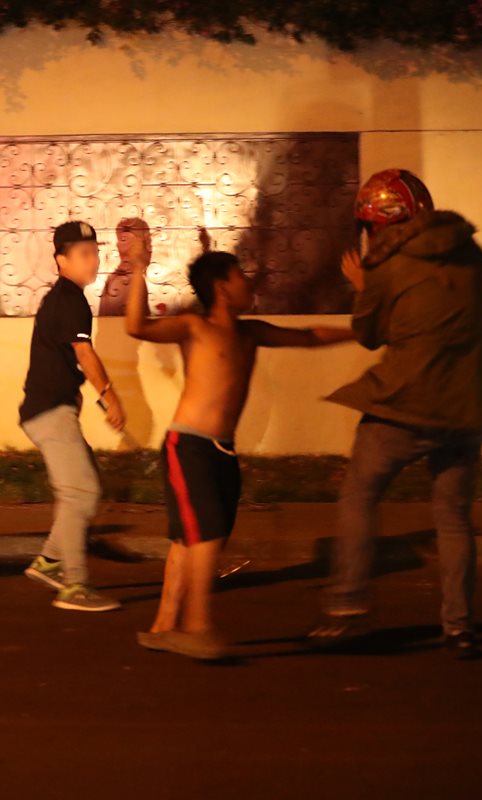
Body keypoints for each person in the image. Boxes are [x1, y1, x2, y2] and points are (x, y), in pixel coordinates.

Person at [125, 237, 354, 659]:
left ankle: (163, 627)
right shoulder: (195, 328)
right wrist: (139, 268)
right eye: (240, 276)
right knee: (206, 532)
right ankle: (196, 628)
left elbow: (307, 337)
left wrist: (360, 330)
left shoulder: (250, 333)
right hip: (188, 446)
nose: (249, 282)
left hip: (223, 452)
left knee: (190, 539)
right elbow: (136, 326)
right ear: (222, 287)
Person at [309, 169, 482, 659]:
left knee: (358, 493)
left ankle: (348, 608)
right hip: (466, 407)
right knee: (453, 518)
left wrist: (362, 282)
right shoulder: (472, 254)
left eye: (368, 226)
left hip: (406, 405)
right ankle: (459, 628)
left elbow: (372, 332)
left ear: (380, 223)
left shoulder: (387, 266)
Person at [19, 221, 125, 612]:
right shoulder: (70, 301)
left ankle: (49, 561)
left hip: (50, 410)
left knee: (84, 487)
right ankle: (74, 585)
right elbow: (84, 354)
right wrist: (110, 397)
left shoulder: (67, 298)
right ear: (61, 260)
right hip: (50, 412)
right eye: (83, 253)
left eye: (95, 251)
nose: (93, 259)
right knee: (81, 492)